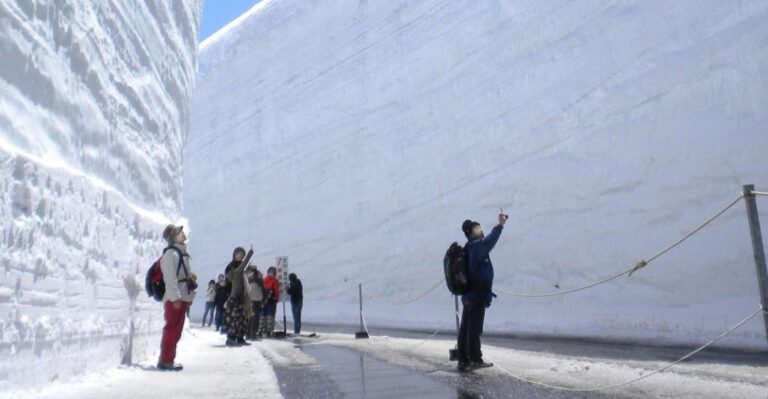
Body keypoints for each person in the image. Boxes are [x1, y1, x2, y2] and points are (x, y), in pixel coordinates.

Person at [457, 212, 506, 372]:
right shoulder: (477, 246)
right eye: (477, 228)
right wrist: (500, 225)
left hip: (469, 295)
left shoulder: (470, 247)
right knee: (474, 329)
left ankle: (463, 359)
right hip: (476, 295)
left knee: (466, 328)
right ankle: (475, 359)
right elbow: (490, 241)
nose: (480, 229)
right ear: (471, 233)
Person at [157, 224, 197, 371]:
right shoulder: (171, 254)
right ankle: (165, 361)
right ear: (173, 236)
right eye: (179, 232)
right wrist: (175, 298)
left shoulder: (180, 253)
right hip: (175, 299)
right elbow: (170, 278)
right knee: (172, 329)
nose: (183, 233)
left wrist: (188, 296)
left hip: (181, 298)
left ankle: (169, 359)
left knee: (176, 330)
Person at [224, 246, 254, 346]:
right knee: (234, 319)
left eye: (242, 254)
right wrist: (251, 252)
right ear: (234, 254)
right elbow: (229, 280)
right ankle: (231, 338)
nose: (240, 256)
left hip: (242, 297)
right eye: (239, 254)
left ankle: (240, 338)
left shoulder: (243, 268)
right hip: (234, 297)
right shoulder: (233, 267)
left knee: (243, 318)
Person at [260, 266, 280, 338]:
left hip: (263, 300)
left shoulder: (264, 280)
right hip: (272, 301)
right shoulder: (275, 280)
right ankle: (269, 331)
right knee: (270, 315)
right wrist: (277, 299)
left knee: (263, 315)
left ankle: (261, 330)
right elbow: (277, 291)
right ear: (274, 273)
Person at [246, 265, 265, 340]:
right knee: (255, 317)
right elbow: (262, 286)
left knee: (250, 317)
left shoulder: (246, 275)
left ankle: (248, 334)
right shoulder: (258, 276)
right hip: (257, 299)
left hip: (249, 299)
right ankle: (253, 334)